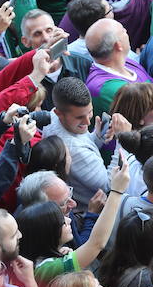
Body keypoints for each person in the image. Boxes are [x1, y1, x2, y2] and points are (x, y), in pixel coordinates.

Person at [43, 77, 111, 211]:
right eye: (79, 117)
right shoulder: (73, 149)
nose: (88, 122)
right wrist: (124, 142)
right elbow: (108, 185)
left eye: (90, 112)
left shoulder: (53, 116)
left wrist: (97, 136)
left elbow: (82, 144)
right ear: (59, 113)